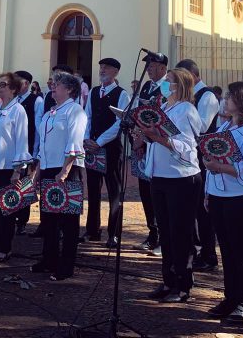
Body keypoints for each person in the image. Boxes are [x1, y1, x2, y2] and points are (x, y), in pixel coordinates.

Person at [136, 67, 203, 303]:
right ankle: (168, 280)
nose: (165, 85)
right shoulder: (164, 107)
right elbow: (158, 139)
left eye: (169, 82)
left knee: (180, 232)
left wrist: (158, 138)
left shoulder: (187, 109)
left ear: (179, 85)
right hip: (160, 175)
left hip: (181, 177)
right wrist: (145, 136)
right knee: (165, 231)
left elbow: (186, 145)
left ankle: (183, 285)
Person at [203, 81, 243, 325]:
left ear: (242, 102)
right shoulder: (224, 127)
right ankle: (230, 298)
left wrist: (219, 166)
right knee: (227, 251)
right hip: (220, 196)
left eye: (229, 97)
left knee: (242, 251)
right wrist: (209, 193)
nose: (225, 101)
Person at [31, 70, 87, 281]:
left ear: (70, 89)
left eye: (58, 85)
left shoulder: (75, 111)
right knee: (49, 219)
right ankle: (49, 259)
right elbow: (43, 144)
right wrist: (38, 173)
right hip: (48, 168)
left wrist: (65, 170)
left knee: (68, 221)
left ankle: (66, 266)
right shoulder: (51, 112)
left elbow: (75, 142)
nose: (53, 87)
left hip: (66, 170)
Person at [0, 72, 30, 262]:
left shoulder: (18, 111)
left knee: (7, 210)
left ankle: (5, 248)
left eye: (3, 84)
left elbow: (21, 141)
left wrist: (18, 170)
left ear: (13, 89)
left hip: (9, 168)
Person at [177, 58, 220, 272]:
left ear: (193, 76)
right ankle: (195, 248)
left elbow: (203, 127)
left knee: (203, 209)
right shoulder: (188, 97)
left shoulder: (208, 96)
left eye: (184, 78)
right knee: (191, 207)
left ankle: (209, 253)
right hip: (189, 157)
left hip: (204, 157)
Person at [81, 57, 129, 247]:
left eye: (107, 68)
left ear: (116, 72)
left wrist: (100, 141)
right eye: (101, 67)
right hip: (92, 147)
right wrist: (87, 139)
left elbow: (120, 122)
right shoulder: (93, 92)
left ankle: (114, 233)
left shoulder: (122, 94)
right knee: (93, 190)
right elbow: (87, 116)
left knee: (113, 191)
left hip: (110, 148)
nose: (102, 70)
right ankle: (92, 230)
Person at [134, 52, 168, 254]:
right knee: (145, 193)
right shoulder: (146, 86)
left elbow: (162, 117)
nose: (149, 69)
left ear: (163, 68)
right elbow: (139, 114)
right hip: (142, 145)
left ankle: (164, 237)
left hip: (157, 144)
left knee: (158, 194)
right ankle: (152, 233)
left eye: (153, 66)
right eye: (148, 66)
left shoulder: (166, 87)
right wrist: (137, 138)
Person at [14, 70, 39, 235]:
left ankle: (22, 221)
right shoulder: (12, 100)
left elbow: (37, 130)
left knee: (24, 185)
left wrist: (35, 154)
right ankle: (12, 216)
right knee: (12, 185)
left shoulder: (36, 101)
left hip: (28, 149)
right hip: (12, 151)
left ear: (26, 84)